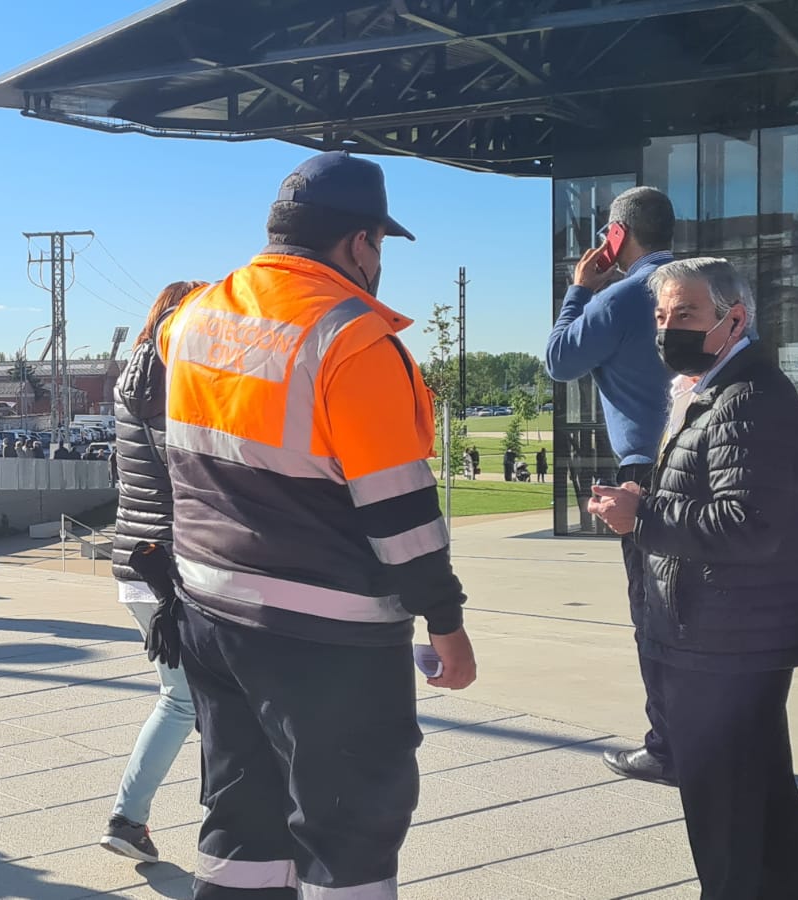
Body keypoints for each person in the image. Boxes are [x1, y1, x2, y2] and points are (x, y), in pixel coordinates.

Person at [156, 152, 476, 898]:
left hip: (210, 607)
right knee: (350, 834)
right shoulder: (353, 341)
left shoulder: (194, 318)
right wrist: (446, 621)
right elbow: (401, 513)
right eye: (381, 248)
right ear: (360, 243)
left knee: (241, 821)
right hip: (324, 633)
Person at [589, 258, 798, 896]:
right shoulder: (708, 389)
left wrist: (645, 516)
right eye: (662, 317)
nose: (669, 330)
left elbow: (749, 523)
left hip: (728, 640)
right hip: (720, 634)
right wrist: (646, 506)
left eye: (686, 315)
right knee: (762, 813)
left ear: (734, 319)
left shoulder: (746, 397)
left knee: (727, 826)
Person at [544, 186, 678, 787]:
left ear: (616, 237)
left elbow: (560, 358)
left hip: (647, 471)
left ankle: (669, 746)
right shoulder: (701, 288)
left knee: (654, 610)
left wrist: (580, 287)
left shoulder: (626, 296)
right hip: (709, 463)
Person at [101, 280, 206, 863]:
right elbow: (191, 475)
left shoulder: (128, 382)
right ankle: (127, 816)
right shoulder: (177, 380)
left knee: (192, 697)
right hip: (176, 565)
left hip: (134, 561)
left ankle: (137, 817)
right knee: (185, 701)